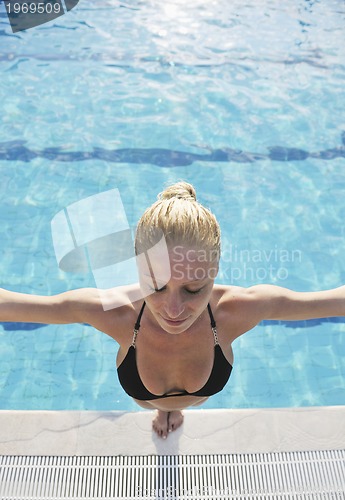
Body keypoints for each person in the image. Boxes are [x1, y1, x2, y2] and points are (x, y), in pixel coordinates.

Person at [0, 181, 344, 439]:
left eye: (194, 289)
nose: (173, 310)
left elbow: (331, 301)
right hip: (147, 396)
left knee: (171, 409)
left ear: (216, 272)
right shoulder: (117, 313)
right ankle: (167, 412)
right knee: (161, 407)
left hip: (191, 394)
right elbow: (18, 306)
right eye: (157, 285)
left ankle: (171, 412)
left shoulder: (234, 312)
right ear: (136, 269)